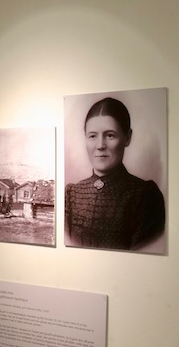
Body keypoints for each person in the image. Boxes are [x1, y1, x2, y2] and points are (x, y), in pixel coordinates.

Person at [65, 97, 165, 250]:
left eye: (110, 135)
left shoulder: (144, 196)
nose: (100, 145)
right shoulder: (71, 194)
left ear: (127, 137)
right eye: (92, 136)